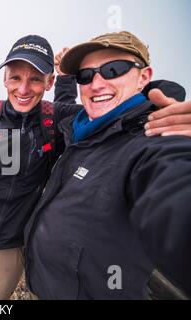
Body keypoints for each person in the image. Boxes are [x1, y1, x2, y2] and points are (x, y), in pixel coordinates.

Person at [0, 34, 189, 300]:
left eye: (35, 79)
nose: (23, 88)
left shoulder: (56, 119)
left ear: (50, 82)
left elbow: (118, 104)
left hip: (12, 250)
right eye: (15, 77)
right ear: (4, 79)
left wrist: (157, 92)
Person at [24, 31, 191, 300]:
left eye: (114, 69)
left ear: (144, 78)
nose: (96, 83)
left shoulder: (151, 142)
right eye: (85, 76)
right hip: (45, 285)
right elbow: (66, 104)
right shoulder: (84, 128)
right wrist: (65, 79)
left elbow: (174, 193)